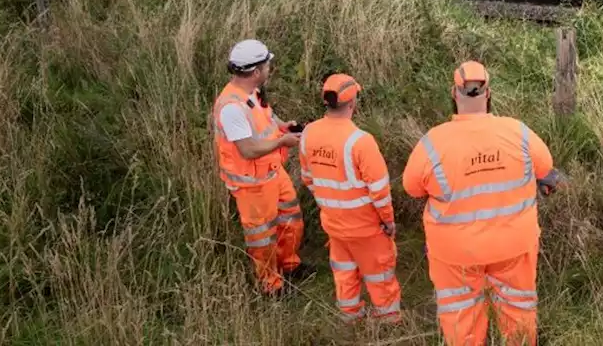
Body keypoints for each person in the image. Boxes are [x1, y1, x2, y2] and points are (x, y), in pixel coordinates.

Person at [401, 60, 562, 346]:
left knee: (460, 313)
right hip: (514, 244)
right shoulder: (518, 132)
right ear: (488, 93)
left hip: (455, 252)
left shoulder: (432, 143)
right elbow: (547, 171)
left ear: (454, 93)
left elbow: (412, 188)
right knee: (518, 306)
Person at [298, 74, 402, 323]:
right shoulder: (361, 141)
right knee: (379, 275)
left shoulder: (308, 134)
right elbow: (379, 190)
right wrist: (388, 221)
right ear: (353, 102)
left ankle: (349, 316)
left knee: (344, 272)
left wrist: (330, 204)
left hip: (334, 223)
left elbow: (308, 178)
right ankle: (387, 320)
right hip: (366, 227)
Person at [210, 39, 307, 297]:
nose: (269, 69)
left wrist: (283, 126)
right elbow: (248, 150)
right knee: (262, 238)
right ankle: (271, 286)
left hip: (273, 171)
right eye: (266, 65)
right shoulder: (231, 108)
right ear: (255, 72)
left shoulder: (251, 91)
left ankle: (290, 266)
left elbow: (266, 116)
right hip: (252, 184)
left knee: (291, 218)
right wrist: (282, 141)